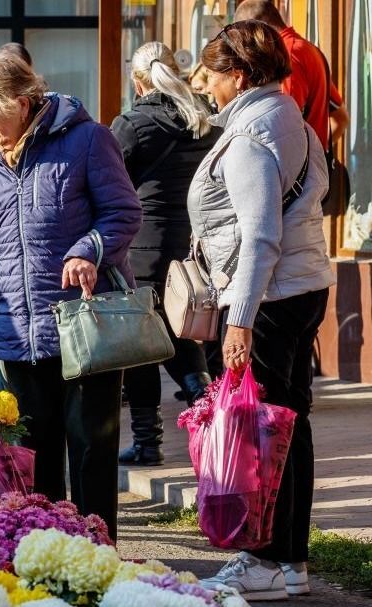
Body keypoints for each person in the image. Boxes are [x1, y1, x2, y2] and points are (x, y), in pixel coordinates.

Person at [0, 51, 141, 540]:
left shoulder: (88, 140)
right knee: (31, 460)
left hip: (85, 328)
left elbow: (123, 213)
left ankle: (98, 551)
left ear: (22, 100)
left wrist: (87, 251)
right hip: (18, 330)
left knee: (91, 451)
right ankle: (48, 553)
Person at [191, 20, 334, 600]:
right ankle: (290, 562)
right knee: (287, 427)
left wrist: (240, 318)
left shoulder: (252, 134)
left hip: (269, 297)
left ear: (241, 74)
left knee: (260, 433)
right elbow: (317, 191)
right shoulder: (290, 115)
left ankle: (267, 560)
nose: (206, 85)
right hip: (301, 287)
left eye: (213, 74)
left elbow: (260, 236)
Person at [110, 42, 221, 466]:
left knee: (142, 344)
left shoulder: (134, 124)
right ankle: (207, 409)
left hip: (143, 249)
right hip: (193, 246)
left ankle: (149, 440)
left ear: (138, 81)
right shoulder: (205, 120)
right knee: (176, 332)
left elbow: (109, 183)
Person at [234, 0, 350, 149]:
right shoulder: (307, 49)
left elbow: (284, 127)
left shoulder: (287, 55)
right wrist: (319, 154)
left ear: (256, 30)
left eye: (244, 38)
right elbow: (341, 119)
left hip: (296, 166)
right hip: (308, 164)